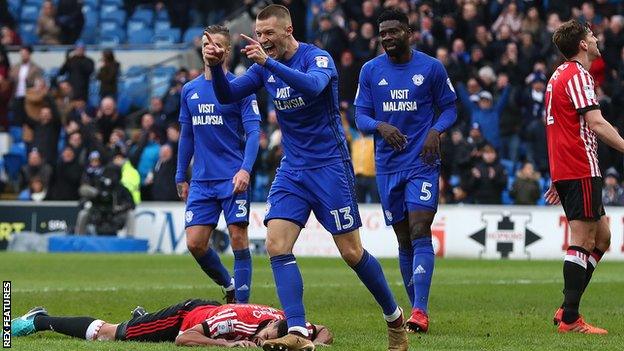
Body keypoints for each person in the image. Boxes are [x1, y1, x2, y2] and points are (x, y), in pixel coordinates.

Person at [204, 5, 407, 351]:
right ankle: (297, 331)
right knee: (276, 244)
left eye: (269, 33)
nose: (262, 39)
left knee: (352, 252)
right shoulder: (262, 68)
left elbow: (313, 87)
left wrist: (269, 64)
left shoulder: (318, 58)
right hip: (293, 170)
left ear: (288, 30)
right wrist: (214, 66)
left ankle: (394, 318)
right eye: (258, 32)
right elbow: (227, 95)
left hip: (330, 167)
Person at [354, 9, 457, 333]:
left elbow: (451, 107)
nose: (386, 37)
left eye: (393, 31)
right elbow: (360, 116)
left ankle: (420, 311)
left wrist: (435, 131)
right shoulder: (371, 71)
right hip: (387, 166)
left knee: (419, 230)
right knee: (403, 239)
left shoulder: (431, 68)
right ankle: (416, 312)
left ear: (409, 32)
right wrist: (380, 126)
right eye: (382, 33)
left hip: (422, 163)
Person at [544, 20, 624, 334]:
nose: (595, 38)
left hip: (569, 167)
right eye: (591, 35)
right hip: (579, 166)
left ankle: (567, 307)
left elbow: (554, 126)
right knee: (582, 241)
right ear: (581, 44)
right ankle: (571, 319)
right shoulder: (578, 75)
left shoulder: (558, 76)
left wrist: (555, 171)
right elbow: (596, 123)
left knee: (602, 238)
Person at [176, 25, 261, 305]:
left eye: (214, 44)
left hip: (231, 177)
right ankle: (229, 285)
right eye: (204, 44)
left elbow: (253, 133)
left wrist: (245, 169)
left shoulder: (241, 88)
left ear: (226, 51)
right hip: (201, 180)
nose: (208, 48)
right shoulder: (189, 90)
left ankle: (242, 308)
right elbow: (187, 135)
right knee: (195, 243)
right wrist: (180, 174)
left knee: (238, 237)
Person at [11, 300, 333, 348]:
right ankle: (39, 320)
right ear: (265, 328)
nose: (265, 343)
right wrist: (225, 343)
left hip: (204, 309)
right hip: (183, 319)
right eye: (265, 340)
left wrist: (313, 343)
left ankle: (142, 318)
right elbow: (184, 339)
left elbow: (325, 332)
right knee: (109, 334)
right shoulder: (232, 322)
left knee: (136, 329)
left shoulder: (286, 321)